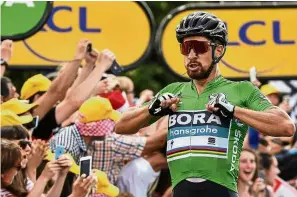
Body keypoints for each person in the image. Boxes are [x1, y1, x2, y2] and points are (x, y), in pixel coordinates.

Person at [115, 11, 296, 197]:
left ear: (218, 50)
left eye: (199, 47)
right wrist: (150, 109)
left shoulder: (241, 90)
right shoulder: (174, 91)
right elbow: (120, 126)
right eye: (186, 48)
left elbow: (286, 126)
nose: (191, 55)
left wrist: (233, 110)